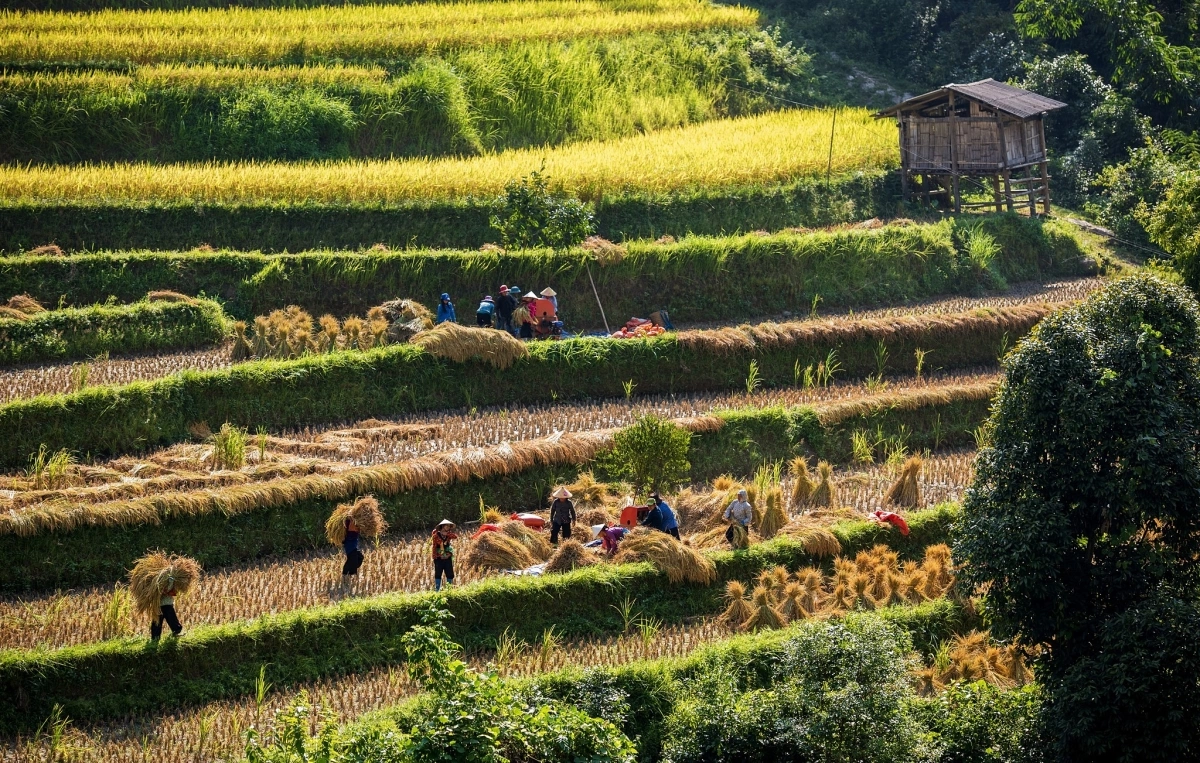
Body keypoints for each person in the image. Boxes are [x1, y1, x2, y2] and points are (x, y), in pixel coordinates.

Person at [431, 519, 458, 591]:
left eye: (449, 526)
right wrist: (435, 556)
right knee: (438, 573)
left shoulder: (449, 534)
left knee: (450, 573)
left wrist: (447, 534)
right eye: (447, 526)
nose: (448, 527)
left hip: (447, 556)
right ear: (443, 526)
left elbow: (455, 537)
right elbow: (436, 545)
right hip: (438, 557)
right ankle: (437, 590)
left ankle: (449, 590)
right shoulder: (436, 535)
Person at [342, 514, 364, 581]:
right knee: (352, 560)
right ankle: (346, 574)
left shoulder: (354, 522)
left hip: (353, 545)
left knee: (360, 557)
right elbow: (354, 529)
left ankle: (350, 571)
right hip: (350, 545)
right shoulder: (350, 522)